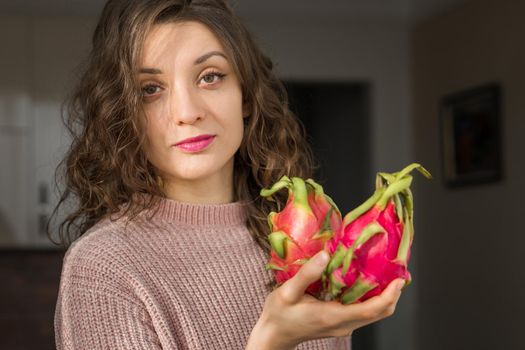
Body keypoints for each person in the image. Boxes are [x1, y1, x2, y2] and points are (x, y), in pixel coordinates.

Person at [51, 0, 404, 349]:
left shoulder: (300, 236)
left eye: (210, 77)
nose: (187, 112)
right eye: (150, 89)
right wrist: (274, 341)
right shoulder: (103, 266)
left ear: (245, 96)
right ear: (123, 113)